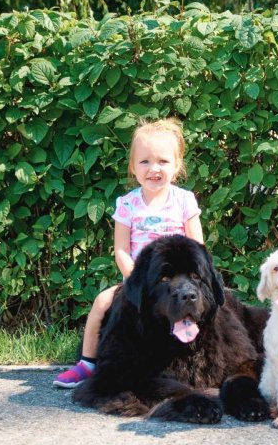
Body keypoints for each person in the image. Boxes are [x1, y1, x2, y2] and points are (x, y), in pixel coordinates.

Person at [53, 117, 204, 388]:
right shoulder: (127, 204)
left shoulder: (184, 200)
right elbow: (121, 250)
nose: (153, 169)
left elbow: (197, 247)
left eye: (163, 161)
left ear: (177, 165)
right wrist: (136, 279)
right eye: (144, 161)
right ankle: (87, 362)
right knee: (101, 302)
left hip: (178, 284)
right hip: (139, 281)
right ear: (133, 166)